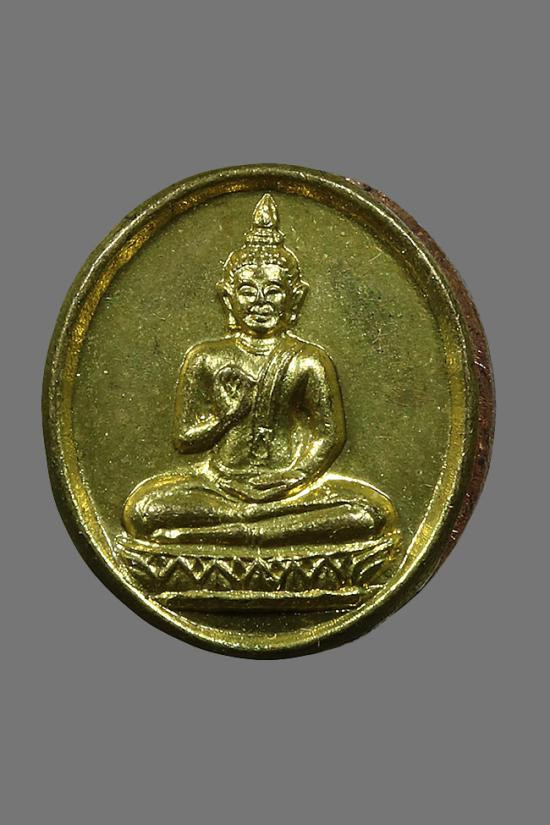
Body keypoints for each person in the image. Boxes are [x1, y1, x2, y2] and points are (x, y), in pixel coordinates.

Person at [122, 194, 397, 548]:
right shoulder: (206, 358)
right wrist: (226, 417)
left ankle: (232, 533)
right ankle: (255, 528)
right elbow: (185, 440)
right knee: (144, 511)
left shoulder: (308, 360)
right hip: (219, 487)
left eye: (273, 291)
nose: (260, 302)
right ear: (227, 298)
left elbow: (328, 436)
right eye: (248, 291)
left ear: (295, 298)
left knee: (368, 513)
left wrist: (295, 477)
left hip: (288, 491)